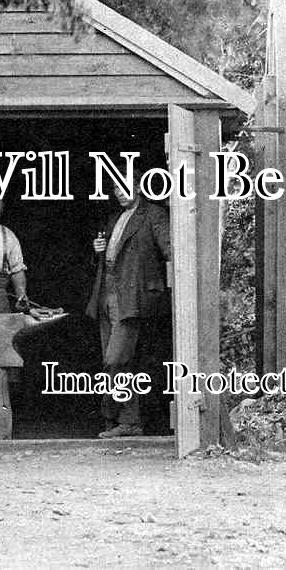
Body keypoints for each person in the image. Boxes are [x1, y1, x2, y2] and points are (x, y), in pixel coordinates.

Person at [87, 184, 170, 438]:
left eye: (124, 188)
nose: (119, 193)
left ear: (139, 187)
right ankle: (129, 421)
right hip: (107, 295)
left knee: (115, 360)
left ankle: (114, 415)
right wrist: (97, 252)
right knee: (121, 362)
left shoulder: (154, 214)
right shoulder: (114, 218)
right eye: (115, 189)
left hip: (132, 298)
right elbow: (108, 261)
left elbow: (171, 251)